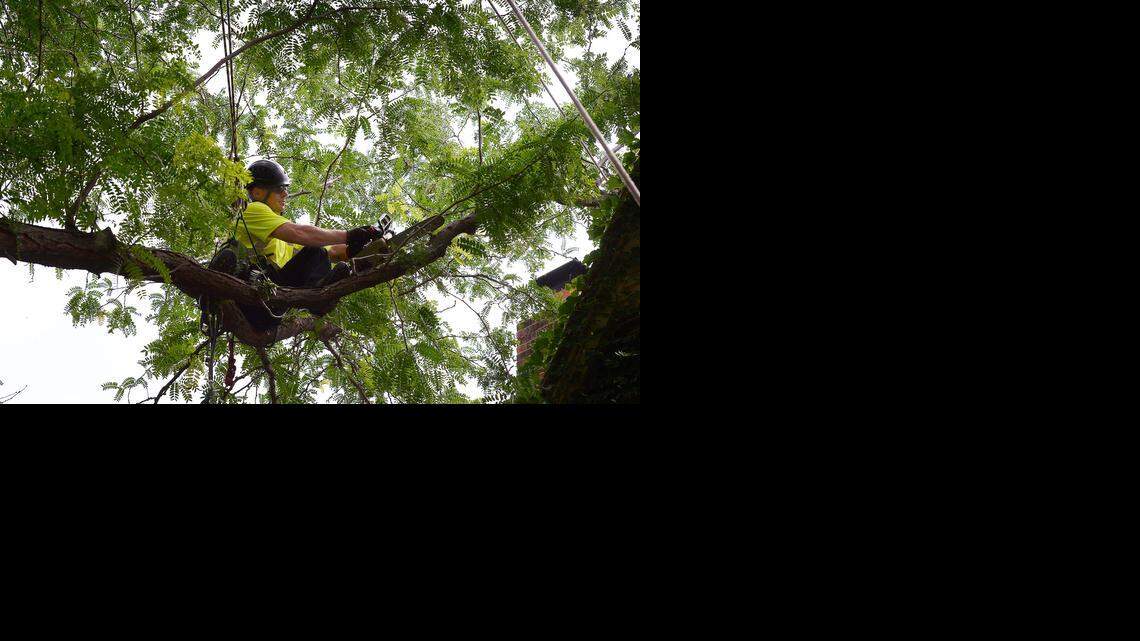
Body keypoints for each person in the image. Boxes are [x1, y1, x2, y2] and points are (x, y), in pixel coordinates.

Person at [206, 158, 381, 328]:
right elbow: (300, 233)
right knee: (315, 250)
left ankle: (320, 296)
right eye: (279, 189)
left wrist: (359, 245)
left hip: (270, 307)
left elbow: (332, 251)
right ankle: (212, 292)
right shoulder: (253, 210)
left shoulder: (280, 234)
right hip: (248, 295)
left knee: (318, 252)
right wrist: (348, 235)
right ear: (258, 192)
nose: (285, 194)